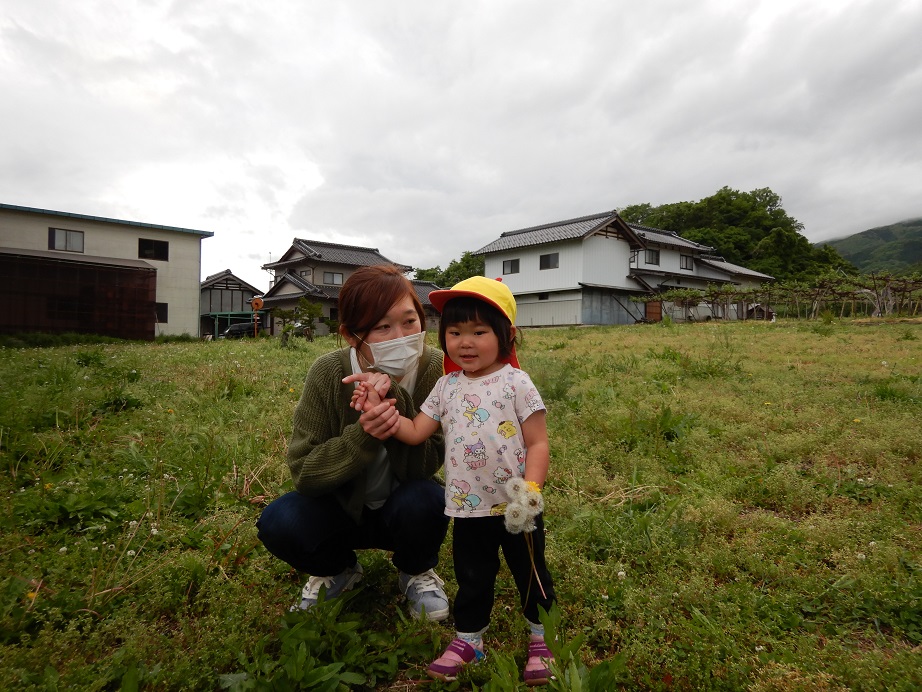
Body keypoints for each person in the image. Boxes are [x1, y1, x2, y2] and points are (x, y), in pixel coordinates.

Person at [347, 276, 557, 686]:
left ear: (506, 335)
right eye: (455, 332)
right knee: (472, 576)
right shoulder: (446, 386)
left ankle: (541, 636)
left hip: (518, 508)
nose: (466, 343)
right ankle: (469, 639)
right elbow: (415, 432)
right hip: (467, 507)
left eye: (479, 332)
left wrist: (530, 493)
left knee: (531, 573)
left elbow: (538, 443)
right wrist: (379, 410)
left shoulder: (517, 382)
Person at [256, 264, 450, 621]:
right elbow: (305, 472)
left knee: (429, 500)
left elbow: (426, 465)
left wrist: (395, 408)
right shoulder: (328, 372)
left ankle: (415, 570)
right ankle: (338, 570)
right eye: (382, 327)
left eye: (410, 321)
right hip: (341, 510)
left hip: (402, 506)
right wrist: (365, 434)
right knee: (281, 521)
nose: (402, 337)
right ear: (350, 335)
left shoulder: (435, 368)